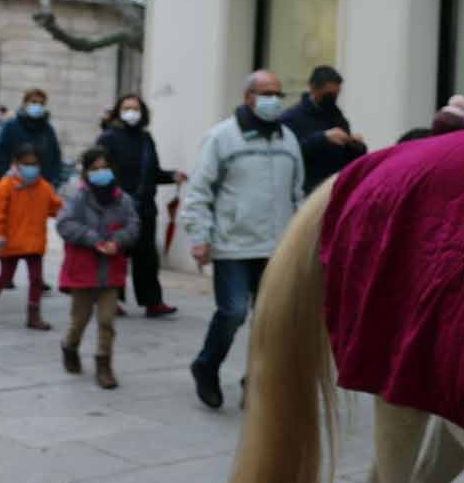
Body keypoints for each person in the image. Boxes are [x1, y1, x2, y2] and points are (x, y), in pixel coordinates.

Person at [181, 70, 304, 409]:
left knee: (270, 319)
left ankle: (256, 381)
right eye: (266, 93)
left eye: (278, 93)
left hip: (275, 247)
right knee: (233, 312)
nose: (274, 100)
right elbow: (199, 191)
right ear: (248, 97)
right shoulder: (222, 137)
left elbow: (296, 195)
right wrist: (199, 236)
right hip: (232, 244)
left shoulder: (288, 140)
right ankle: (206, 366)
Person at [57, 147, 139, 390]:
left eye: (105, 168)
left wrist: (118, 241)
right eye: (95, 169)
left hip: (111, 273)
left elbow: (134, 225)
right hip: (82, 271)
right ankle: (69, 346)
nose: (101, 173)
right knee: (79, 320)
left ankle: (104, 365)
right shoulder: (77, 197)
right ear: (86, 172)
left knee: (107, 321)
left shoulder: (122, 199)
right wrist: (93, 239)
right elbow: (64, 224)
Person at [99, 94, 185, 317]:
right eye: (126, 108)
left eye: (135, 108)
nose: (131, 112)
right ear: (118, 111)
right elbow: (97, 170)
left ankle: (152, 301)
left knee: (147, 256)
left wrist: (171, 175)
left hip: (145, 206)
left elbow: (152, 172)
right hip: (117, 206)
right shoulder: (108, 138)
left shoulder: (146, 139)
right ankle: (111, 299)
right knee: (116, 255)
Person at [0, 144, 63, 329]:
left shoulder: (44, 187)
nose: (30, 168)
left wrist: (70, 214)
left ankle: (34, 316)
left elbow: (55, 208)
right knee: (5, 277)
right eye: (26, 164)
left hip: (34, 241)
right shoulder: (5, 186)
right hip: (11, 241)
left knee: (36, 279)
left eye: (34, 164)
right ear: (15, 163)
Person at [279, 65, 367, 193]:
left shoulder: (338, 117)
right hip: (306, 191)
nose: (332, 100)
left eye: (336, 95)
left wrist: (356, 146)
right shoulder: (291, 118)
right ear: (313, 88)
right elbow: (288, 154)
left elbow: (348, 160)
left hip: (334, 189)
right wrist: (322, 138)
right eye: (328, 95)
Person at [0, 89, 62, 183]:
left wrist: (53, 181)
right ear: (24, 104)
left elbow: (55, 157)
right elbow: (0, 155)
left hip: (41, 186)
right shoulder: (10, 127)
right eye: (34, 102)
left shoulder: (48, 130)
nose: (37, 106)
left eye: (41, 103)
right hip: (13, 184)